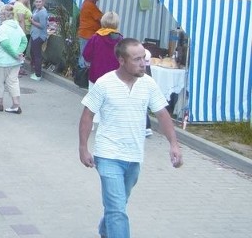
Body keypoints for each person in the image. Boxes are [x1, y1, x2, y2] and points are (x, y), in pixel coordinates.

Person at [78, 38, 183, 238]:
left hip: (134, 156)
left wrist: (174, 144)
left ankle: (105, 229)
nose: (143, 63)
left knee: (118, 205)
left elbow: (162, 114)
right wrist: (83, 147)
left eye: (144, 58)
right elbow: (87, 115)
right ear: (121, 60)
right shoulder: (105, 83)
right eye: (137, 59)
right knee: (117, 209)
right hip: (108, 154)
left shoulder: (148, 84)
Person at [0, 4, 27, 114]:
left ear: (3, 15)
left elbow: (5, 44)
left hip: (1, 60)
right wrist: (19, 53)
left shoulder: (2, 28)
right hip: (15, 62)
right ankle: (16, 105)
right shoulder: (17, 26)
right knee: (13, 82)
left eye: (0, 14)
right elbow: (24, 41)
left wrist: (15, 54)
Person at [82, 11, 123, 85]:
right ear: (117, 23)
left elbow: (86, 54)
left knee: (94, 96)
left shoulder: (96, 37)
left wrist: (88, 63)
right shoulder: (121, 40)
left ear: (103, 21)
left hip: (96, 76)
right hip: (113, 79)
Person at [78, 0, 103, 68]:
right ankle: (82, 75)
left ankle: (82, 74)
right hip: (87, 35)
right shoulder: (90, 5)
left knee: (84, 55)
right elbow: (101, 19)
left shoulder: (88, 3)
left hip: (86, 35)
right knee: (85, 56)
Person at [12, 0, 32, 75]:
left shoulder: (19, 4)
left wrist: (28, 4)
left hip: (21, 30)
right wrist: (23, 33)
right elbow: (21, 20)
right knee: (21, 50)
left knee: (20, 50)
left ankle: (18, 68)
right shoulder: (20, 6)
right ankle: (17, 68)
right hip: (23, 31)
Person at [29, 0, 49, 81]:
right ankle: (36, 71)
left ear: (43, 2)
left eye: (39, 2)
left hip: (39, 36)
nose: (38, 3)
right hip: (34, 35)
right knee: (33, 53)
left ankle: (38, 75)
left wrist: (32, 21)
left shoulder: (42, 12)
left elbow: (42, 26)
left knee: (37, 55)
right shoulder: (36, 9)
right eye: (36, 1)